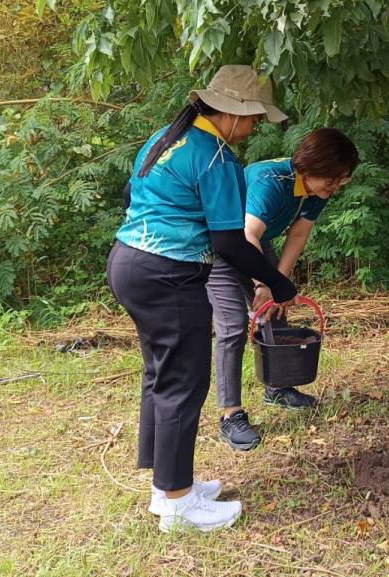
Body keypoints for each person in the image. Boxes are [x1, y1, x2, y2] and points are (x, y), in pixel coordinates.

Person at [107, 65, 297, 533]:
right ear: (232, 113)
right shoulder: (216, 157)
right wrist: (279, 283)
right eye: (254, 118)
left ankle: (167, 486)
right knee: (183, 383)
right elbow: (231, 243)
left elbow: (133, 193)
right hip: (168, 274)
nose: (254, 129)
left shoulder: (166, 137)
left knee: (162, 375)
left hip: (129, 262)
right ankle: (177, 505)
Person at [207, 128, 360, 450]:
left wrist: (278, 286)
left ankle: (277, 387)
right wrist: (263, 282)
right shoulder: (271, 182)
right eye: (332, 178)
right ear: (310, 165)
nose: (335, 186)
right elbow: (244, 235)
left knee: (277, 310)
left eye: (341, 180)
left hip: (254, 242)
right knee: (233, 326)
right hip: (219, 245)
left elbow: (298, 236)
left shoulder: (315, 191)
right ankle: (230, 415)